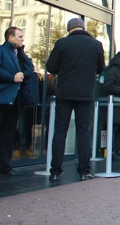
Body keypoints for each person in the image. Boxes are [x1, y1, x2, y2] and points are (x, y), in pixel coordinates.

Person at [47, 18, 105, 181]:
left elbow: (51, 67)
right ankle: (84, 171)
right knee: (83, 131)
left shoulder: (62, 43)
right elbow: (100, 68)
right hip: (85, 93)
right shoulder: (96, 45)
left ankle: (55, 171)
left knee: (60, 131)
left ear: (69, 29)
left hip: (64, 92)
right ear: (83, 27)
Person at [0, 27, 38, 180]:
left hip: (14, 99)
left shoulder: (19, 54)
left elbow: (26, 72)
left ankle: (4, 166)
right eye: (20, 36)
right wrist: (11, 77)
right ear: (10, 38)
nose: (22, 39)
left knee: (8, 135)